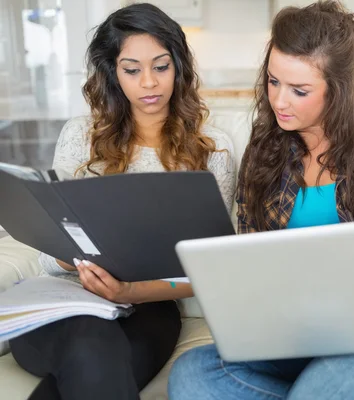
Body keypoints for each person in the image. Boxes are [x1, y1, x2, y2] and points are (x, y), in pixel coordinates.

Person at [168, 1, 354, 399]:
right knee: (192, 374)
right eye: (273, 82)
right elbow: (249, 259)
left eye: (299, 90)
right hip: (298, 341)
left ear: (338, 91)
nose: (279, 101)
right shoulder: (264, 151)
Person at [8, 3, 235, 400]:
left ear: (179, 66)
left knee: (93, 362)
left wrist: (130, 292)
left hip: (150, 308)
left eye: (161, 67)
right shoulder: (81, 136)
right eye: (132, 69)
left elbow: (211, 268)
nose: (148, 82)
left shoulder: (212, 150)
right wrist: (70, 256)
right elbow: (49, 250)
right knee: (90, 344)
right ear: (113, 72)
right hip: (67, 297)